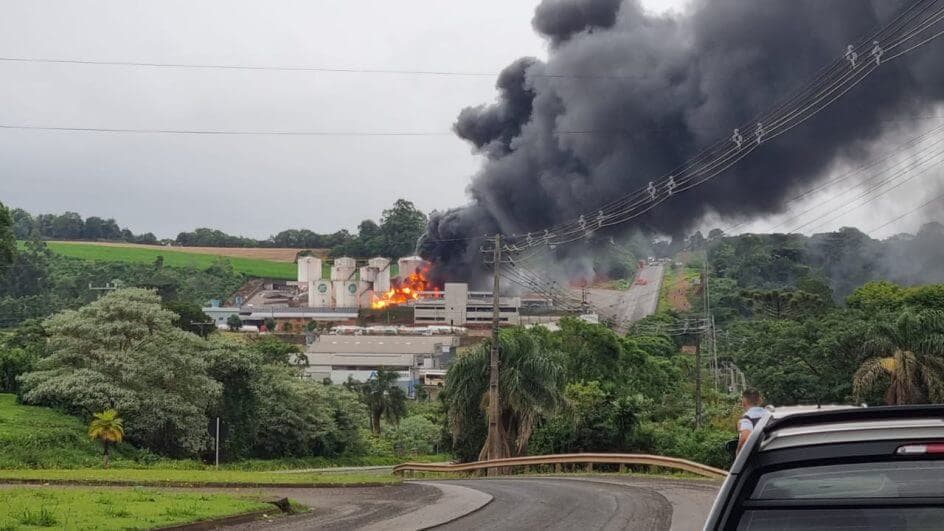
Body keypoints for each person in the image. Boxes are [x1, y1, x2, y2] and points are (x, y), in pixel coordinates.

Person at [736, 388, 766, 453]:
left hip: (757, 458)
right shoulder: (770, 414)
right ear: (760, 400)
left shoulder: (747, 418)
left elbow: (744, 438)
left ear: (743, 402)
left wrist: (738, 453)